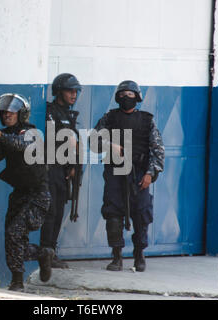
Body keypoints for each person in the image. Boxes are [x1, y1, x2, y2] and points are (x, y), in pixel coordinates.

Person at [92, 80, 165, 272]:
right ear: (117, 97)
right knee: (113, 213)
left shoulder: (147, 121)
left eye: (130, 94)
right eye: (123, 94)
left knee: (141, 215)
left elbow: (157, 150)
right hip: (115, 172)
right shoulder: (109, 118)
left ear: (137, 97)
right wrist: (109, 145)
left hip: (139, 173)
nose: (126, 98)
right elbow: (93, 141)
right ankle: (117, 257)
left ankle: (139, 255)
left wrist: (150, 173)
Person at [0, 93, 53, 291]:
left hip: (38, 195)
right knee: (12, 238)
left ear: (21, 113)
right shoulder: (5, 135)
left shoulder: (32, 132)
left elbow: (22, 145)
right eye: (4, 112)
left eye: (12, 112)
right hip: (19, 194)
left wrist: (0, 136)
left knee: (15, 234)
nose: (7, 115)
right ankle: (42, 254)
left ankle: (17, 281)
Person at [40, 73, 82, 269]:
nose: (73, 95)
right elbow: (47, 137)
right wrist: (67, 139)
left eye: (75, 91)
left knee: (58, 213)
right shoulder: (49, 111)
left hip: (63, 170)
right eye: (69, 91)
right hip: (49, 168)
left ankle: (51, 252)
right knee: (50, 212)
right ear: (59, 91)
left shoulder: (69, 114)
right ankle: (45, 253)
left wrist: (73, 166)